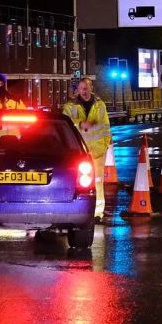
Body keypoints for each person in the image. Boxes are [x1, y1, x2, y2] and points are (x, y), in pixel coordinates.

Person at [62, 78, 111, 219]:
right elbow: (66, 126)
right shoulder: (69, 106)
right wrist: (81, 124)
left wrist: (105, 143)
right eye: (81, 88)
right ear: (77, 90)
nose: (84, 91)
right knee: (79, 182)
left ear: (91, 88)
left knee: (98, 181)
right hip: (79, 152)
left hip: (97, 150)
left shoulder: (100, 105)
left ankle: (97, 212)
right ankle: (77, 211)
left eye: (86, 88)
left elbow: (106, 126)